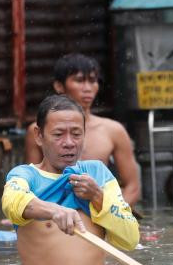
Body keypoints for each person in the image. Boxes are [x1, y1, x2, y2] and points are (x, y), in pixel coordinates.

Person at [3, 94, 139, 265]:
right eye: (58, 135)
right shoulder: (25, 176)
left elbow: (130, 238)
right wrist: (54, 211)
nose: (69, 142)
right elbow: (12, 201)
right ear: (39, 136)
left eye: (76, 134)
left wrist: (97, 197)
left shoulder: (98, 173)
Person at [25, 53, 140, 207]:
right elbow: (31, 183)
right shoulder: (38, 131)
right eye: (79, 80)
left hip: (100, 208)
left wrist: (115, 214)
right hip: (54, 213)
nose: (87, 88)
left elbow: (133, 186)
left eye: (92, 81)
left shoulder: (114, 130)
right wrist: (33, 212)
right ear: (59, 86)